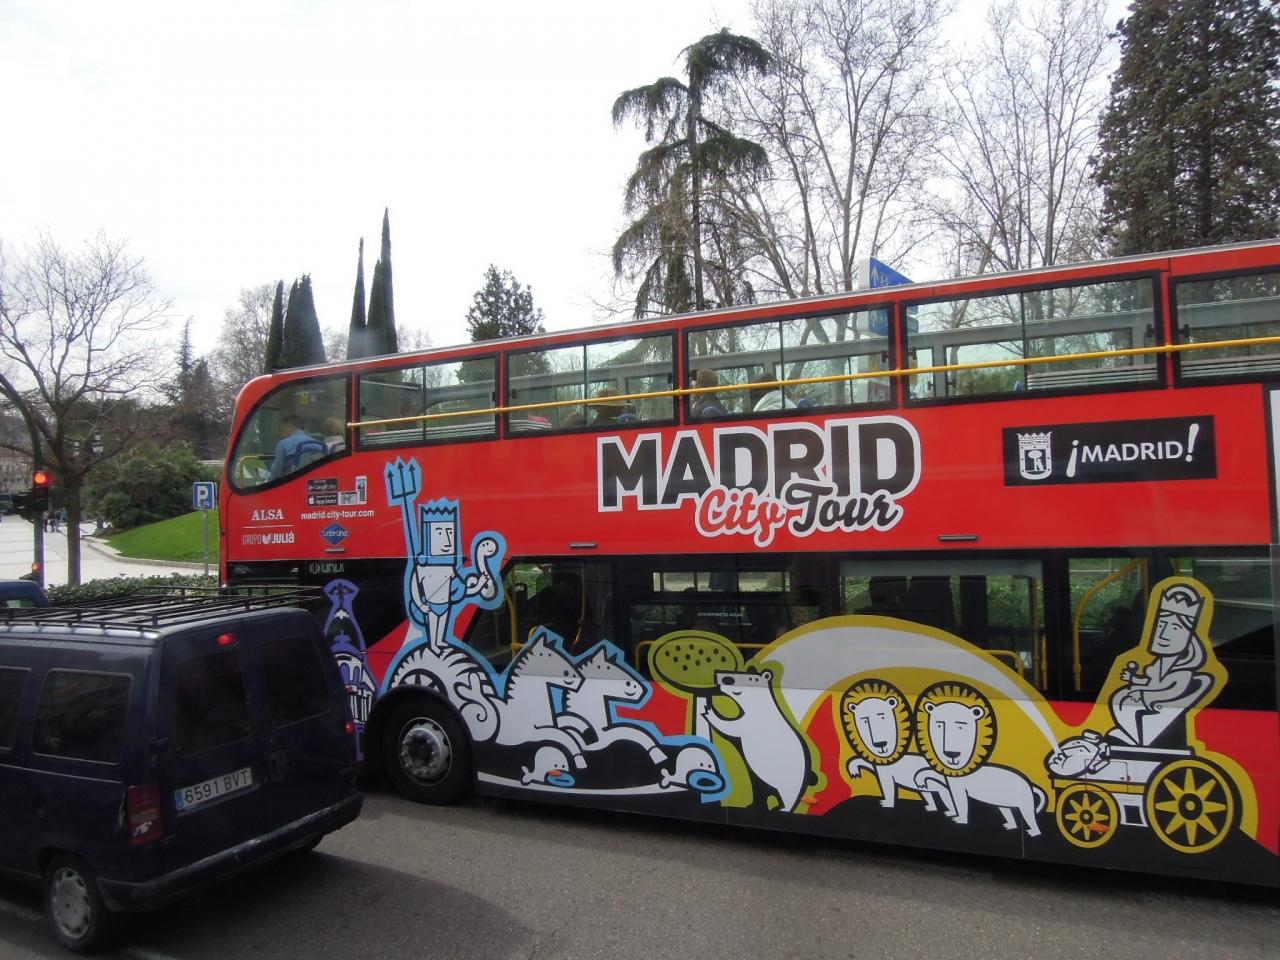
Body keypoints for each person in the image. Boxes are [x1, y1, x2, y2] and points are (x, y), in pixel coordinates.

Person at [268, 414, 326, 480]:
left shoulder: (283, 444)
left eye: (282, 428)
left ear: (289, 426)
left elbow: (277, 471)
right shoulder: (319, 445)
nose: (281, 431)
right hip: (312, 482)